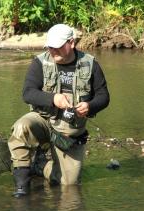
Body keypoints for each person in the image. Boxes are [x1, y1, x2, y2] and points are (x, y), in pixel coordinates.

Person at [8, 24, 110, 197]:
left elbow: (103, 96)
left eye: (57, 46)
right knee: (21, 127)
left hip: (69, 133)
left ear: (71, 43)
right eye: (50, 46)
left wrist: (90, 106)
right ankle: (22, 188)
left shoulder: (90, 64)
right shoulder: (39, 62)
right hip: (42, 121)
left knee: (68, 185)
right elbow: (28, 93)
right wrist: (53, 99)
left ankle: (40, 165)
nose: (52, 50)